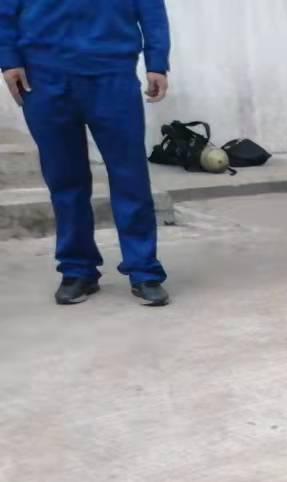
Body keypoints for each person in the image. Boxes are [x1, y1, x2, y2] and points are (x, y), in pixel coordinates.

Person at [0, 0, 172, 307]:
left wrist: (156, 62)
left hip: (111, 72)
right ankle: (77, 269)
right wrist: (8, 58)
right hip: (43, 77)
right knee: (65, 180)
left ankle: (144, 270)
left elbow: (151, 8)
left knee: (130, 177)